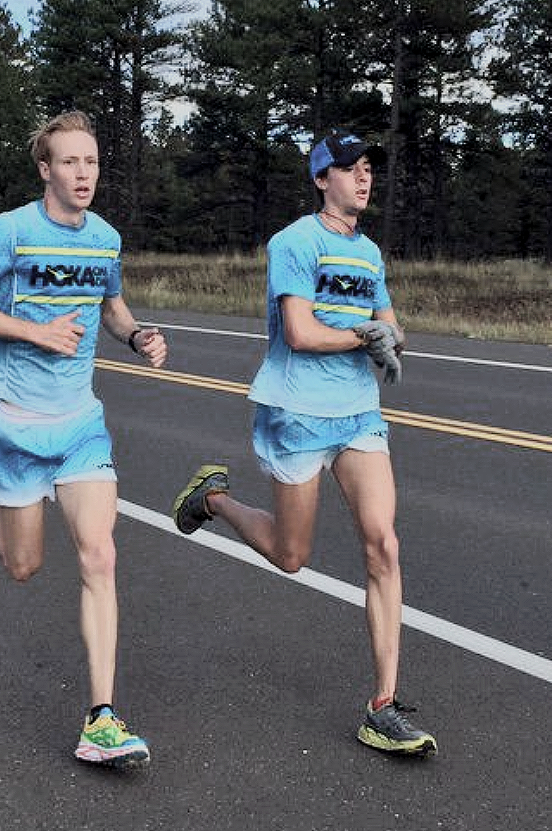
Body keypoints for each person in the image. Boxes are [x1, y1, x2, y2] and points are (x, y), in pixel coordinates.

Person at [171, 130, 436, 756]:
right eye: (350, 169)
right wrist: (364, 338)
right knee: (292, 556)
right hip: (297, 411)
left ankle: (383, 706)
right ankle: (214, 500)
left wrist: (390, 342)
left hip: (357, 416)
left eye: (368, 167)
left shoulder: (369, 252)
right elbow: (299, 331)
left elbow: (391, 321)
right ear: (323, 180)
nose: (363, 178)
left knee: (384, 545)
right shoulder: (294, 243)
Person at [0, 110, 167, 768]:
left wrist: (138, 335)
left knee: (100, 557)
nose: (83, 172)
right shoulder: (11, 231)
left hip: (79, 426)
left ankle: (102, 717)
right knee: (22, 566)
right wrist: (35, 333)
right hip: (15, 423)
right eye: (69, 162)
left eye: (91, 161)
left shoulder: (104, 238)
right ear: (46, 169)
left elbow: (112, 304)